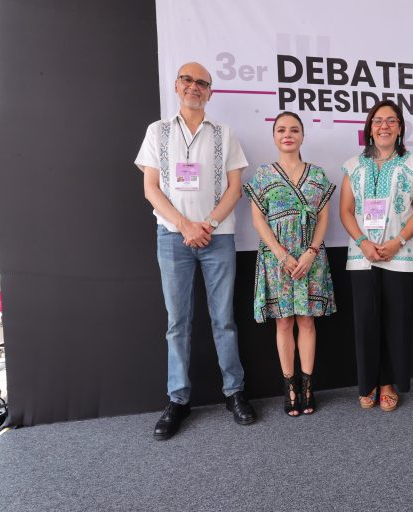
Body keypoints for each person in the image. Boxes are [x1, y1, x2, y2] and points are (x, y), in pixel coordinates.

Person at [135, 62, 256, 439]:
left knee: (223, 320)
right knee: (177, 324)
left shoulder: (225, 133)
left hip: (218, 238)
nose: (194, 87)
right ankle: (178, 400)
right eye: (188, 80)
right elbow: (151, 188)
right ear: (177, 85)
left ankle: (234, 393)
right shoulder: (158, 132)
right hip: (173, 238)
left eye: (202, 83)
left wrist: (208, 225)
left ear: (210, 92)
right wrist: (186, 225)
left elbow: (235, 188)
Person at [244, 112, 336, 416]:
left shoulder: (318, 175)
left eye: (294, 130)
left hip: (311, 257)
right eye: (282, 130)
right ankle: (290, 387)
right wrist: (281, 254)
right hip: (277, 258)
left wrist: (311, 251)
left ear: (302, 136)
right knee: (283, 321)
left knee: (307, 320)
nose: (288, 134)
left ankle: (308, 386)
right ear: (274, 136)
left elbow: (324, 216)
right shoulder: (263, 175)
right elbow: (258, 218)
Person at [340, 100, 413, 412]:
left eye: (391, 121)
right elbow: (346, 211)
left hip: (401, 254)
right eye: (378, 121)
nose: (384, 126)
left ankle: (388, 382)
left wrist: (398, 241)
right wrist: (364, 241)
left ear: (400, 128)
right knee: (366, 321)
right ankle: (367, 383)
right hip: (362, 255)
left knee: (396, 322)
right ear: (369, 128)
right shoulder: (353, 165)